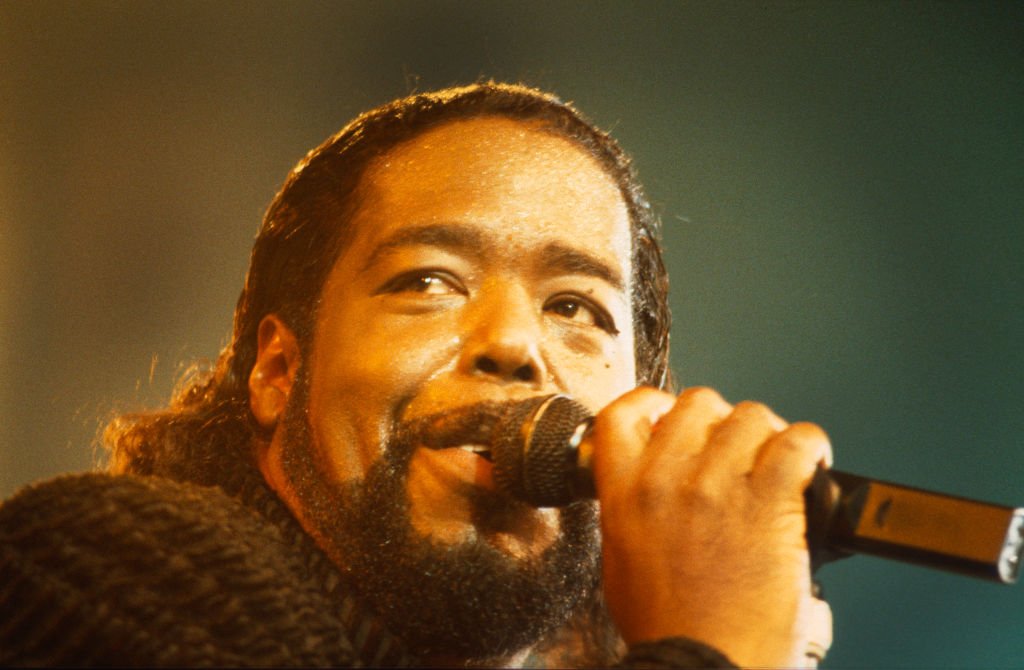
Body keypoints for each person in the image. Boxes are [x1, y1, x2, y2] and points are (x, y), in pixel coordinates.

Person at [0, 82, 832, 667]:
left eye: (577, 307)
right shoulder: (106, 568)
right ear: (279, 371)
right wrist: (712, 654)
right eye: (427, 282)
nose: (511, 343)